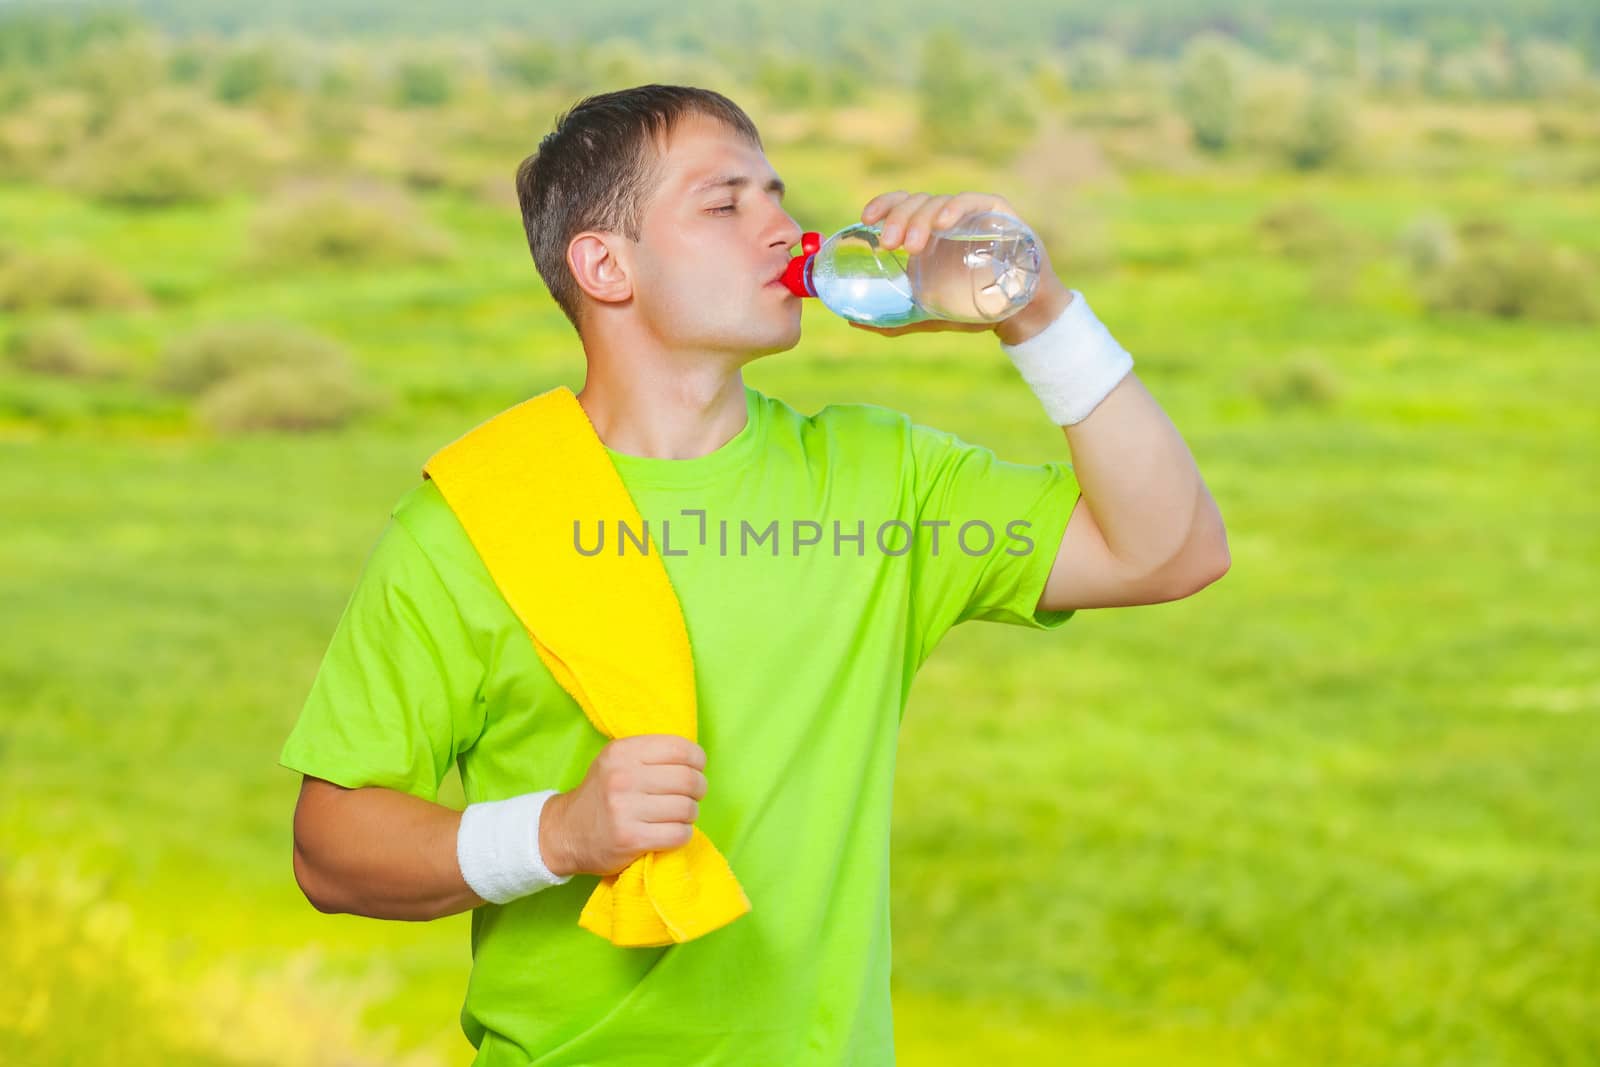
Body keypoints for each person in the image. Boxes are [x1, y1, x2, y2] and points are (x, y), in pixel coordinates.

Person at [280, 83, 1229, 1065]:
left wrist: (1037, 310)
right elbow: (331, 846)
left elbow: (1170, 548)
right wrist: (557, 833)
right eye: (725, 204)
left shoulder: (880, 478)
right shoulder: (474, 519)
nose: (785, 229)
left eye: (776, 195)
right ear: (606, 265)